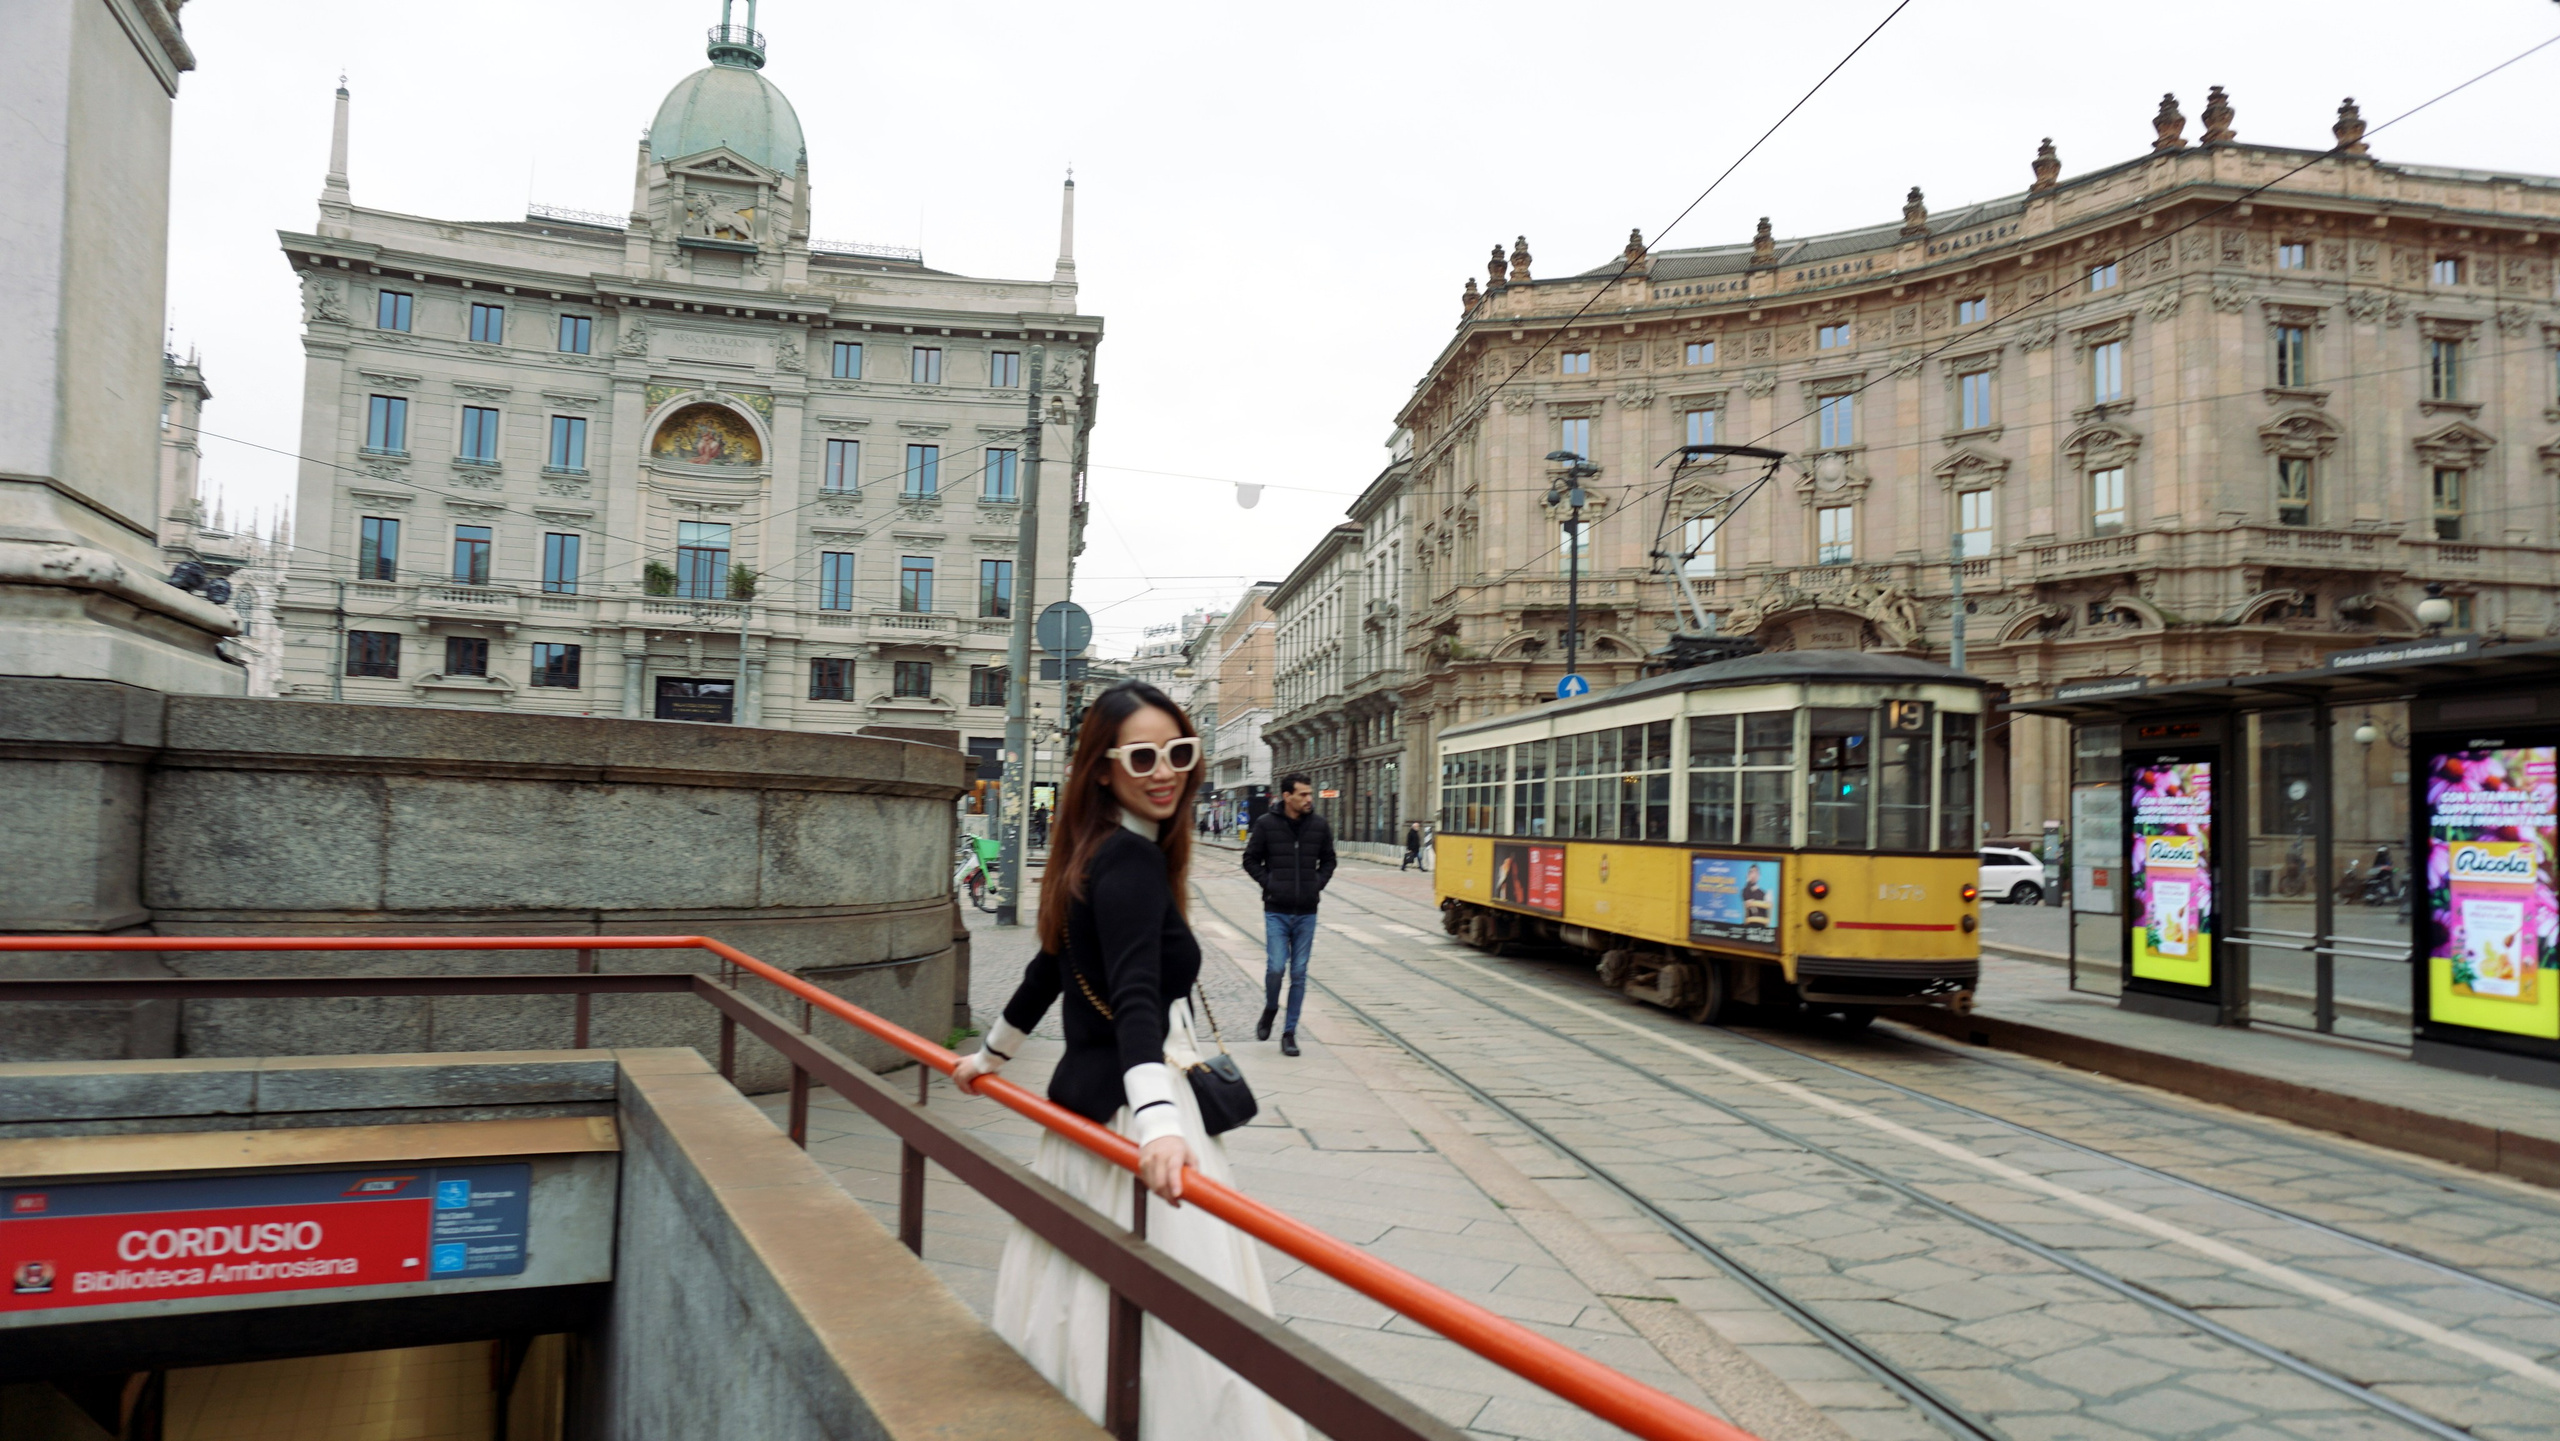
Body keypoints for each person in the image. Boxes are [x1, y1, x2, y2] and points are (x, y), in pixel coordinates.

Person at [951, 683, 1303, 1441]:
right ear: (1103, 769)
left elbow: (1050, 971)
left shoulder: (1096, 852)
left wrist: (988, 1056)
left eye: (1178, 752)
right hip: (1132, 1120)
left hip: (1084, 1121)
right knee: (1181, 1318)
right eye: (1141, 755)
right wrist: (1158, 1127)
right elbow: (1136, 1003)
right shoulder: (1133, 865)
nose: (1164, 770)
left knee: (1077, 1296)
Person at [1241, 774, 1334, 1057]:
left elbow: (1329, 860)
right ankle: (1271, 1008)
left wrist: (1316, 884)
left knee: (1299, 973)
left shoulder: (1319, 825)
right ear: (1287, 796)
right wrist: (1270, 883)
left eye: (1310, 794)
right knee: (1276, 968)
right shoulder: (1266, 825)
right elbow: (1250, 859)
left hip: (1307, 911)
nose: (1310, 799)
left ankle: (1289, 1032)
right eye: (1303, 794)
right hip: (1277, 911)